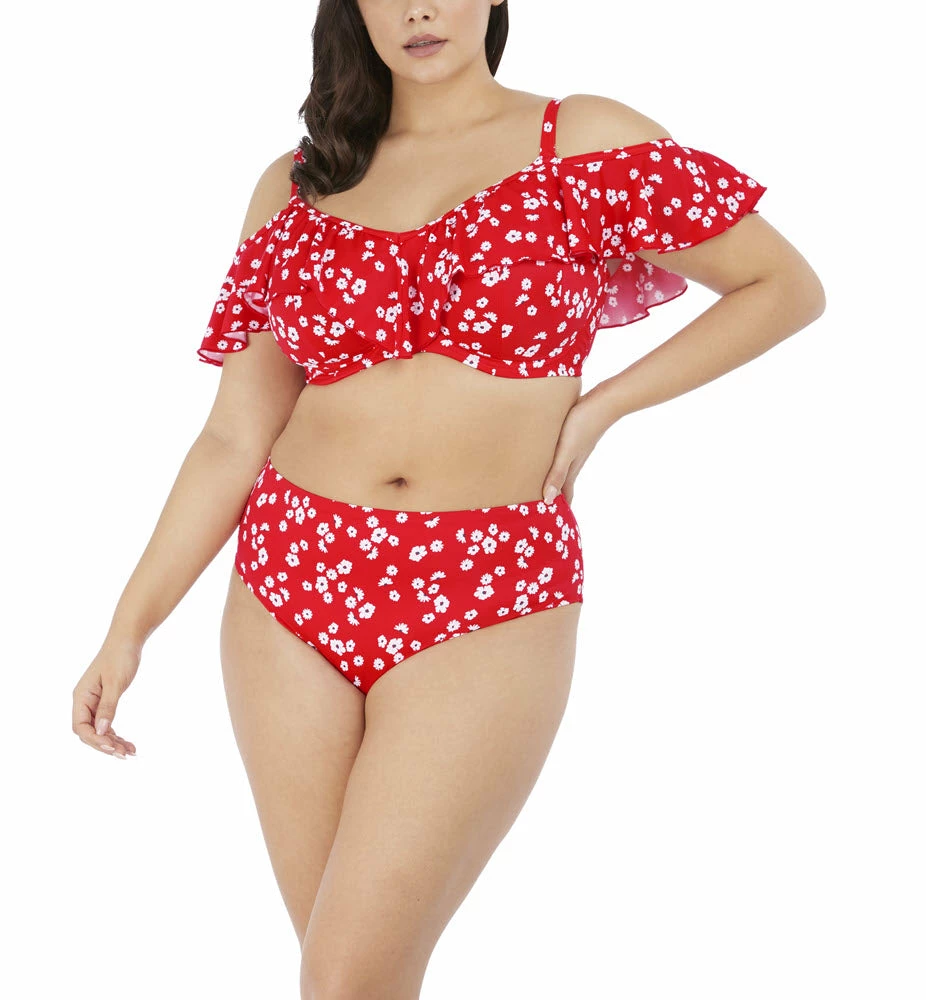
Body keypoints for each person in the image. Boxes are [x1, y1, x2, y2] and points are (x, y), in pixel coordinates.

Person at [71, 1, 825, 996]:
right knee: (353, 982)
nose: (418, 8)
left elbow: (781, 285)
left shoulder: (578, 140)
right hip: (291, 580)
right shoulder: (300, 182)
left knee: (345, 975)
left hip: (489, 585)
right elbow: (232, 436)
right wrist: (128, 628)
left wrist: (604, 406)